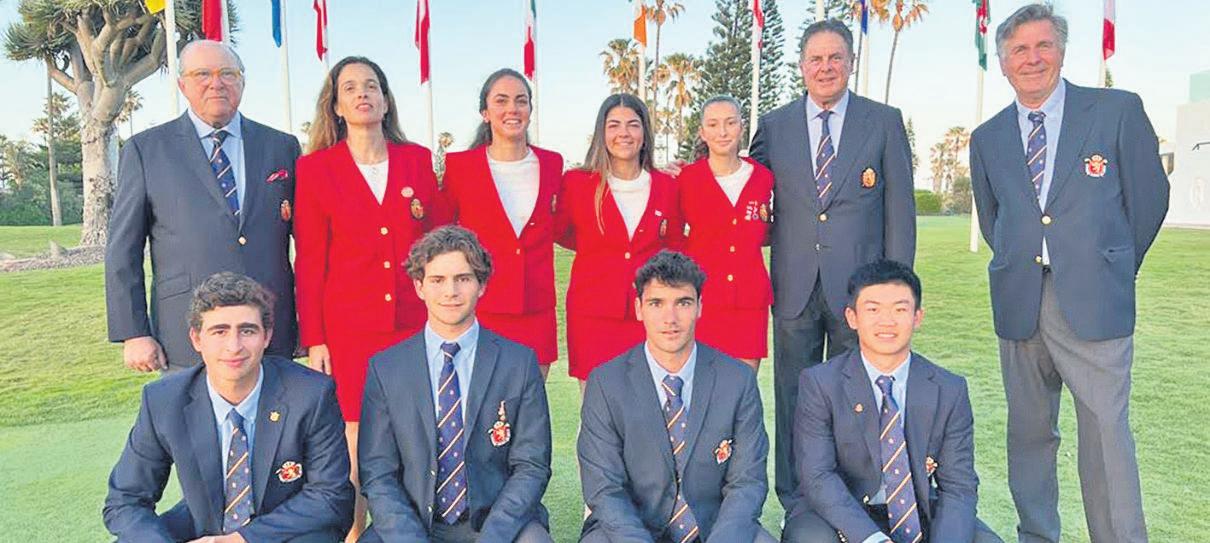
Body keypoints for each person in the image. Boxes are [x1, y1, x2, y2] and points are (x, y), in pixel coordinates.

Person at [969, 5, 1168, 542]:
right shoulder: (987, 137)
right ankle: (1037, 535)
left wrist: (1110, 265)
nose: (1032, 58)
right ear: (1004, 63)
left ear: (1061, 51)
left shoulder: (1116, 111)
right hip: (1019, 302)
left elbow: (1149, 199)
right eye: (1019, 50)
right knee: (1029, 436)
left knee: (1105, 435)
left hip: (1094, 301)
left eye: (1043, 45)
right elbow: (995, 218)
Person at [749, 19, 916, 511]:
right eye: (816, 59)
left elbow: (900, 212)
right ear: (802, 67)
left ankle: (854, 500)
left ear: (850, 63)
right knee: (793, 397)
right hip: (794, 288)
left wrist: (894, 294)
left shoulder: (882, 121)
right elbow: (746, 187)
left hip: (860, 294)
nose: (825, 67)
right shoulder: (774, 126)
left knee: (856, 396)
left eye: (835, 57)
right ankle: (796, 501)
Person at [293, 56, 447, 541]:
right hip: (349, 329)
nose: (363, 93)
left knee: (417, 431)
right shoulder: (316, 169)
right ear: (336, 106)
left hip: (414, 324)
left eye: (372, 86)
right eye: (351, 87)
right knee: (356, 439)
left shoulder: (416, 160)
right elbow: (310, 261)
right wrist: (316, 339)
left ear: (385, 100)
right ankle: (354, 533)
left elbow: (438, 243)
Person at [103, 272, 354, 542]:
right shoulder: (164, 400)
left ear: (267, 336)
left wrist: (240, 539)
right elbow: (125, 500)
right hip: (205, 526)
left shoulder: (310, 394)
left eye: (247, 331)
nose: (234, 347)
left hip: (285, 530)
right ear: (197, 339)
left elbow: (331, 496)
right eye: (219, 331)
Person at [106, 40, 301, 373]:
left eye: (228, 73)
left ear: (242, 81)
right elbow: (123, 249)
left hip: (270, 329)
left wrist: (312, 323)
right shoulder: (146, 150)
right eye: (202, 74)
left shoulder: (281, 146)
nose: (216, 83)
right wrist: (133, 332)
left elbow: (311, 243)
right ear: (182, 84)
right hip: (186, 331)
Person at [782, 260, 1002, 543]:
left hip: (917, 509)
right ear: (852, 317)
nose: (886, 321)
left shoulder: (949, 389)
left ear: (917, 317)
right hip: (842, 512)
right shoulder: (820, 383)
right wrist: (873, 539)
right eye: (873, 309)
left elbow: (958, 486)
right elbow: (817, 476)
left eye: (900, 309)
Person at [359, 226, 553, 543]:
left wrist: (494, 537)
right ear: (419, 286)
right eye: (437, 280)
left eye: (463, 278)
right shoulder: (386, 368)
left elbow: (532, 465)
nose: (450, 291)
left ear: (482, 285)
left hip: (495, 525)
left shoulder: (518, 363)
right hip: (415, 525)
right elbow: (378, 472)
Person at [578, 250, 775, 543]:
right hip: (630, 531)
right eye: (656, 303)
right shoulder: (606, 384)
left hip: (715, 531)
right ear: (639, 308)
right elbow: (604, 489)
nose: (670, 318)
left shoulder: (737, 380)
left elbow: (747, 483)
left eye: (683, 303)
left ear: (699, 307)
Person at [441, 68, 563, 380]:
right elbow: (441, 234)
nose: (512, 109)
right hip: (481, 306)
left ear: (530, 109)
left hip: (536, 309)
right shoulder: (461, 167)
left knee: (530, 402)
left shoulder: (552, 164)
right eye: (501, 100)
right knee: (479, 400)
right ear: (485, 112)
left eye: (521, 101)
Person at [555, 93, 685, 386]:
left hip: (650, 313)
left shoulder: (667, 185)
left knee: (649, 399)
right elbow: (561, 231)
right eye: (614, 125)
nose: (623, 133)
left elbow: (675, 244)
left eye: (633, 125)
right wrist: (600, 251)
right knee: (596, 402)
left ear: (644, 133)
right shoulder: (577, 184)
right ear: (601, 133)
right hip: (592, 315)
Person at [678, 95, 774, 371]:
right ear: (702, 132)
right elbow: (672, 235)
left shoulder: (763, 177)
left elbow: (770, 228)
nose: (722, 132)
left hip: (749, 301)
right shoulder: (686, 179)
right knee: (700, 382)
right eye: (713, 124)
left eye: (730, 123)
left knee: (743, 384)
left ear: (742, 127)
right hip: (702, 299)